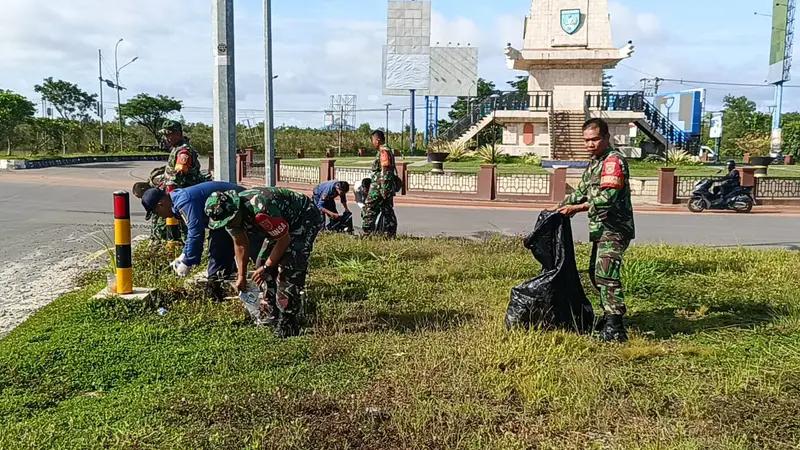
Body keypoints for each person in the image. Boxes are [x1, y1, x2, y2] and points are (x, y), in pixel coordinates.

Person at [205, 187, 323, 338]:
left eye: (230, 220)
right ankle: (271, 310)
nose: (229, 224)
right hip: (279, 226)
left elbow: (284, 239)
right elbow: (240, 244)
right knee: (261, 263)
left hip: (302, 218)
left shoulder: (261, 210)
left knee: (290, 266)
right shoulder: (228, 218)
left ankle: (288, 321)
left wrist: (269, 266)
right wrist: (241, 276)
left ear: (236, 210)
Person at [556, 118, 635, 343]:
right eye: (586, 140)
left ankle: (615, 327)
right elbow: (580, 192)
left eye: (595, 139)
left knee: (605, 273)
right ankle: (610, 316)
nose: (590, 144)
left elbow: (607, 197)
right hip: (601, 229)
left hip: (615, 228)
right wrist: (558, 207)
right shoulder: (594, 164)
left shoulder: (613, 161)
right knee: (595, 272)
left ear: (607, 137)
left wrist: (577, 208)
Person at [361, 130, 400, 236]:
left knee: (369, 208)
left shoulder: (383, 151)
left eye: (373, 140)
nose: (372, 143)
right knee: (387, 210)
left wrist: (384, 189)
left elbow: (385, 171)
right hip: (384, 187)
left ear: (377, 140)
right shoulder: (387, 150)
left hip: (379, 187)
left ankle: (367, 233)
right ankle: (390, 233)